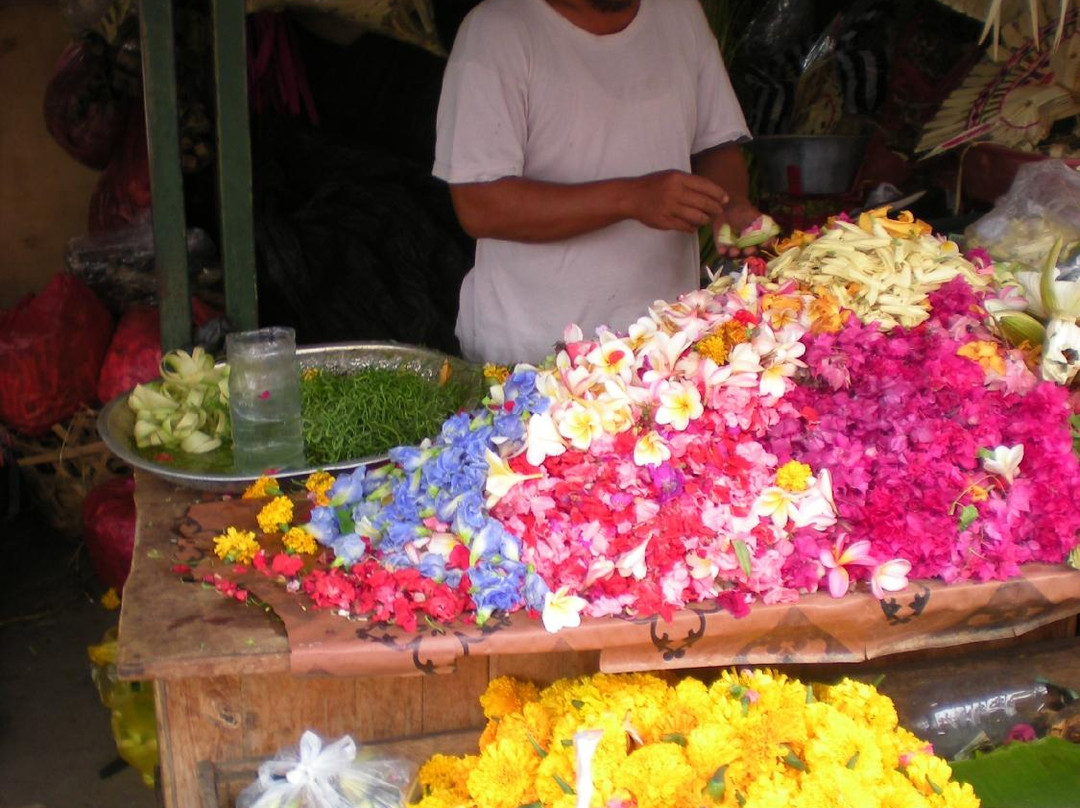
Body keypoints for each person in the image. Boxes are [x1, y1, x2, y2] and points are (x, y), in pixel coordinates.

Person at [434, 0, 760, 365]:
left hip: (665, 346)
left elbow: (715, 144)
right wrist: (631, 199)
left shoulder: (680, 12)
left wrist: (728, 205)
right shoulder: (496, 32)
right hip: (531, 356)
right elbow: (480, 205)